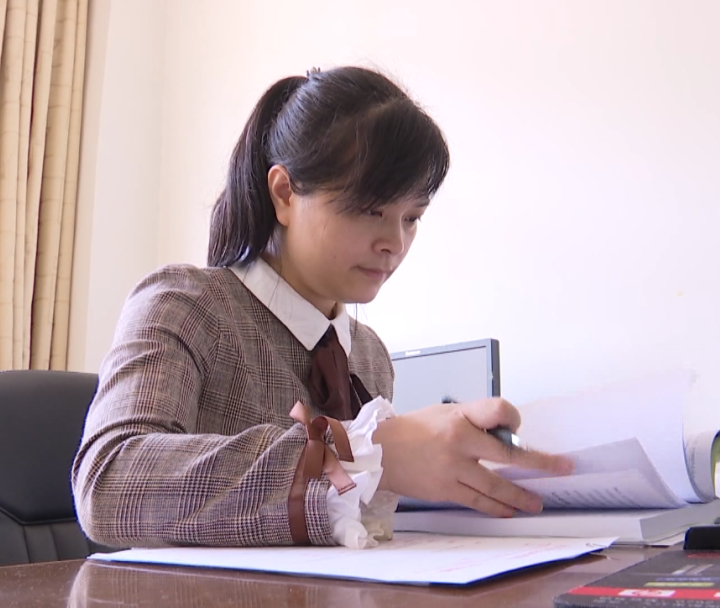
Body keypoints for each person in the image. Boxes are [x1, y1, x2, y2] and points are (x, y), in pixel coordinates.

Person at [71, 66, 573, 551]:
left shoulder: (370, 356)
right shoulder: (186, 305)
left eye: (412, 217)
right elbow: (110, 482)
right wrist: (364, 453)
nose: (394, 242)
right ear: (284, 194)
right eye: (370, 209)